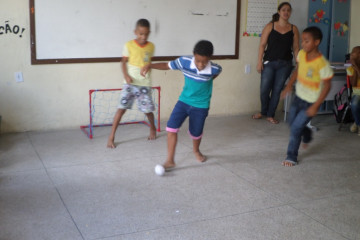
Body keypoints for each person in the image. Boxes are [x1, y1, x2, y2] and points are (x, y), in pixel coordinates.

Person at [141, 40, 222, 169]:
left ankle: (196, 150)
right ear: (193, 55)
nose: (200, 65)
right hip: (183, 101)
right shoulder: (184, 61)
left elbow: (217, 73)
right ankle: (170, 160)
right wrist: (150, 65)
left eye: (204, 61)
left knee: (196, 133)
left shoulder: (214, 68)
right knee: (171, 128)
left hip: (201, 106)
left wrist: (206, 80)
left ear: (210, 58)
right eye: (198, 61)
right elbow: (167, 66)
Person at [280, 26, 333, 167]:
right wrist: (288, 85)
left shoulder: (322, 64)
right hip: (298, 97)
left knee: (296, 128)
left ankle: (291, 156)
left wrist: (316, 106)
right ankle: (307, 133)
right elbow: (297, 70)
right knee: (291, 124)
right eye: (302, 41)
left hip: (311, 102)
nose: (303, 44)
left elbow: (327, 86)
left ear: (316, 42)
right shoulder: (301, 54)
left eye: (307, 41)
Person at [107, 19, 156, 148]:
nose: (143, 37)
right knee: (121, 109)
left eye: (146, 34)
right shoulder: (128, 45)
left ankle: (153, 128)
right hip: (129, 83)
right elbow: (123, 62)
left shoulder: (151, 47)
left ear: (149, 33)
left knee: (147, 110)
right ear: (135, 32)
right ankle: (111, 136)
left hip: (144, 84)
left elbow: (147, 62)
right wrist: (126, 75)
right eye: (140, 34)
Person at [253, 2, 300, 124]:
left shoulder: (293, 29)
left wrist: (298, 63)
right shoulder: (270, 26)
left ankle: (270, 114)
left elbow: (295, 48)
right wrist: (259, 62)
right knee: (264, 89)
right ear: (279, 12)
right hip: (269, 63)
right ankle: (264, 111)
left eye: (288, 10)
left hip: (285, 64)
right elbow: (262, 45)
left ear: (290, 13)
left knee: (277, 90)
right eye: (283, 10)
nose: (286, 12)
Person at [348, 46, 360, 135]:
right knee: (354, 104)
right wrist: (354, 69)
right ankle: (358, 123)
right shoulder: (350, 68)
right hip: (357, 93)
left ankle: (356, 122)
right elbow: (353, 84)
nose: (351, 54)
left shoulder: (354, 67)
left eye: (354, 52)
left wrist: (356, 66)